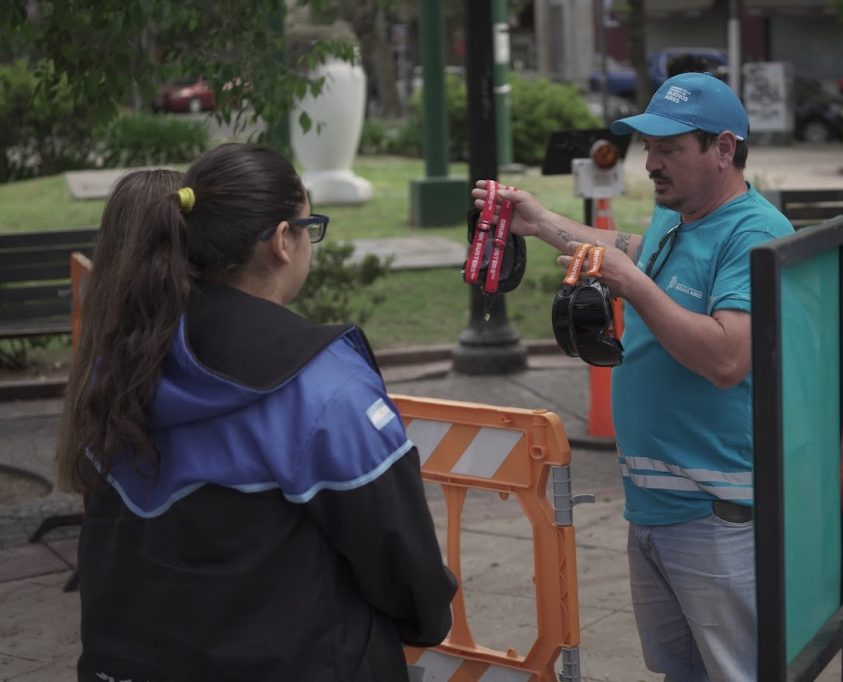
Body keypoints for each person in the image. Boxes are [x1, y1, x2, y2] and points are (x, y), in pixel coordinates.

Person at [56, 145, 457, 681]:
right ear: (281, 241)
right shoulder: (323, 387)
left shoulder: (121, 359)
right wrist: (426, 620)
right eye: (309, 225)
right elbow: (402, 565)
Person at [473, 72, 793, 680]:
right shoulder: (680, 218)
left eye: (669, 149)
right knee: (682, 671)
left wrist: (632, 284)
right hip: (655, 506)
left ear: (723, 150)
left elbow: (729, 358)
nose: (651, 164)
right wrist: (541, 223)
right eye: (649, 148)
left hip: (715, 516)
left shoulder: (755, 232)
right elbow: (622, 245)